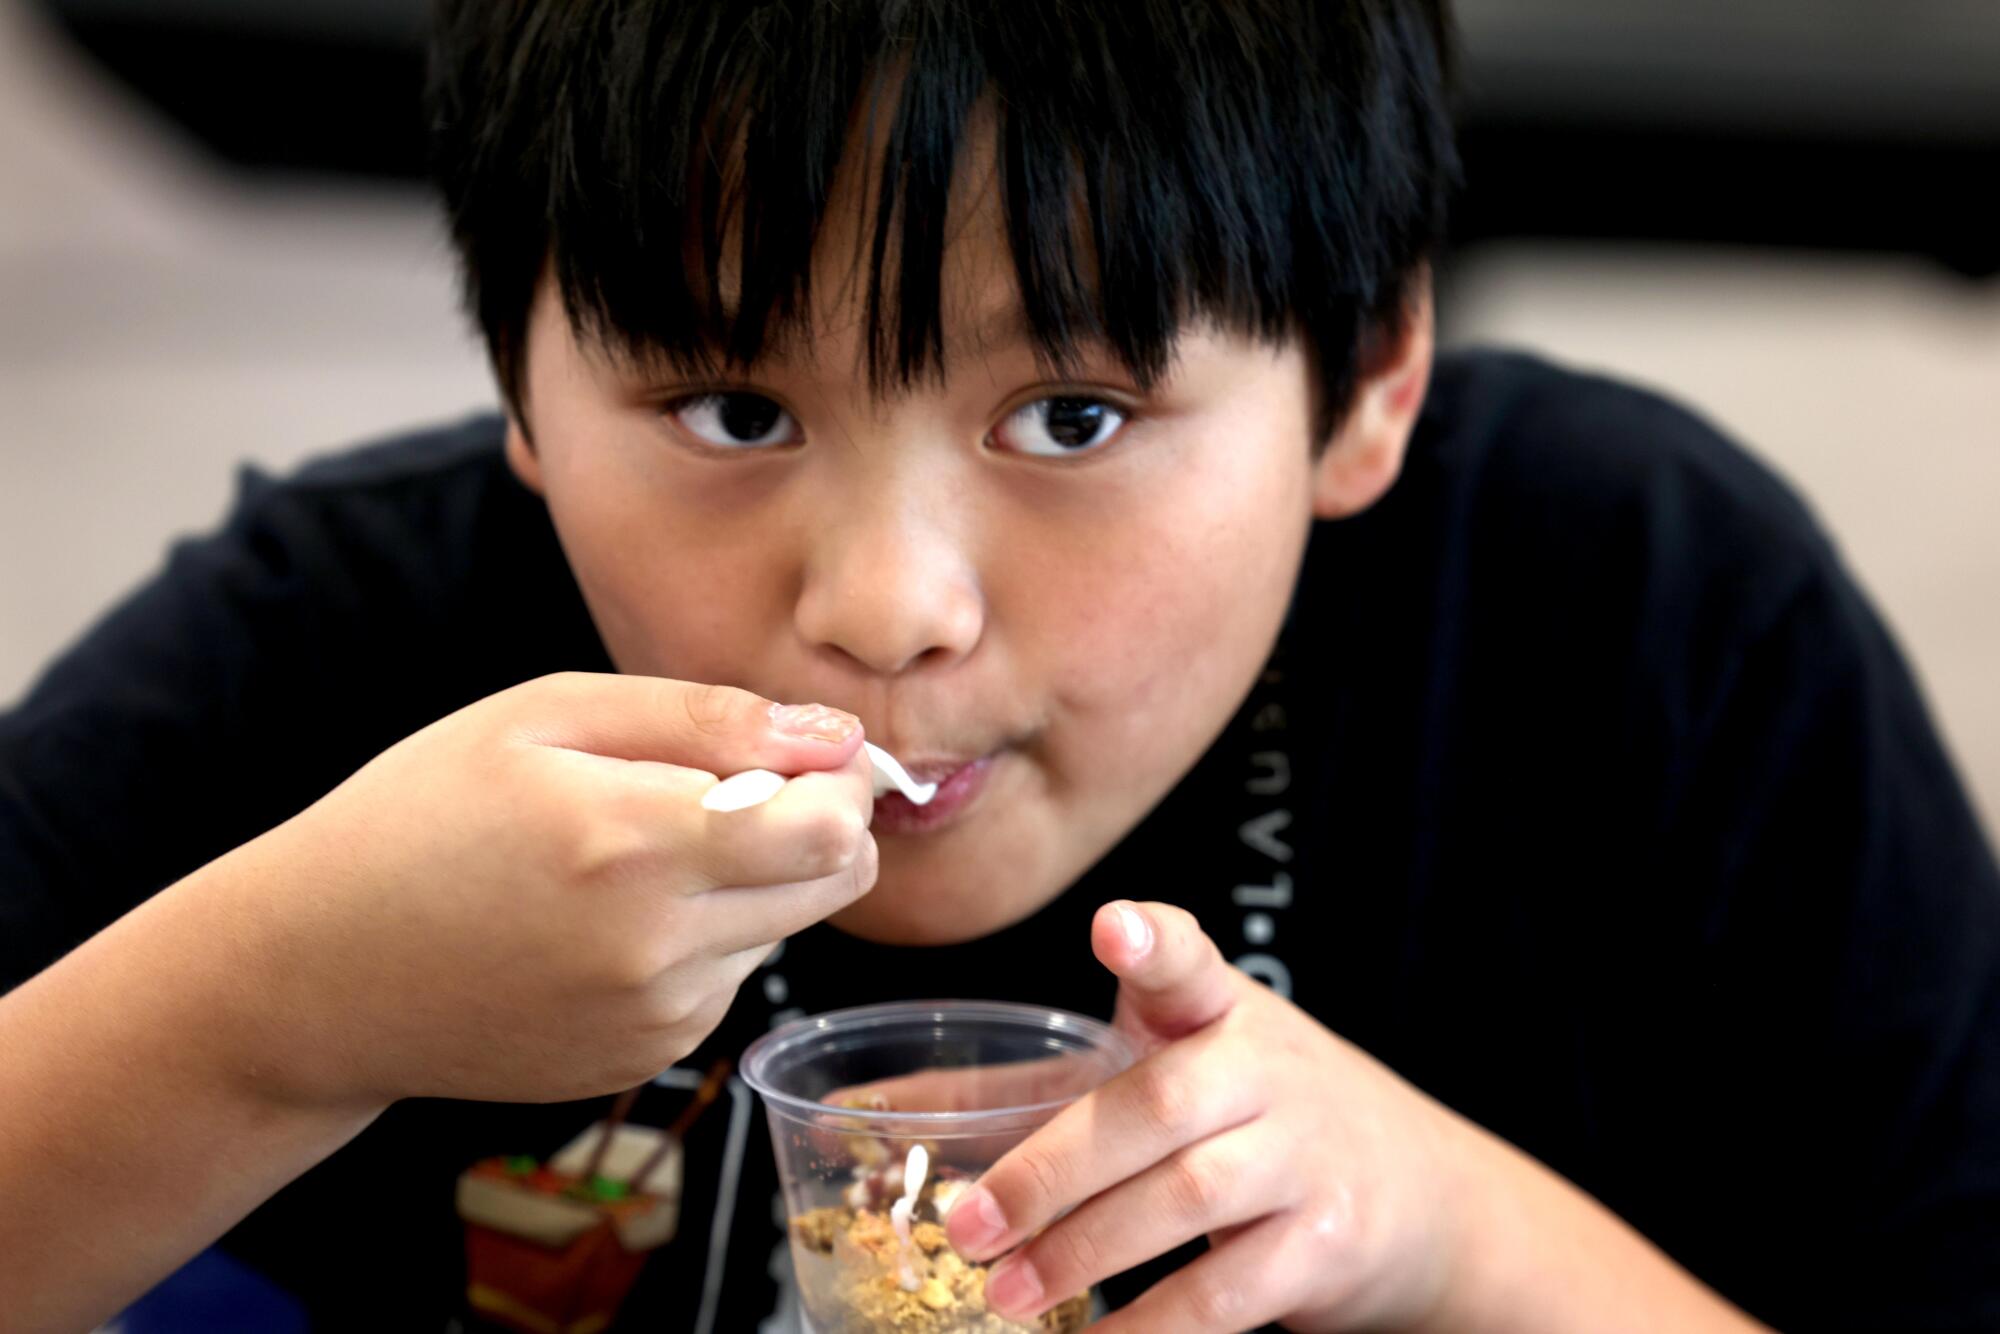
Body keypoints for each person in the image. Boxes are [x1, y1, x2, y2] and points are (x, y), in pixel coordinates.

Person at [3, 1, 1996, 1330]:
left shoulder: (1633, 616)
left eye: (1070, 417)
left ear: (1366, 379)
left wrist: (1448, 1225)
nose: (886, 606)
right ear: (516, 377)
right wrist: (282, 1005)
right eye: (724, 405)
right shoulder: (354, 641)